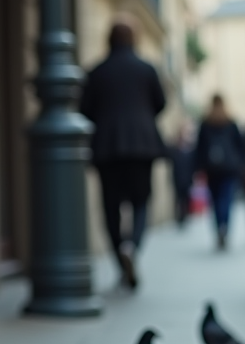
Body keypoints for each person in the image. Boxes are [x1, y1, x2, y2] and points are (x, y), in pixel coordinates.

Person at [80, 21, 167, 289]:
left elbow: (85, 109)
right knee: (141, 202)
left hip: (108, 147)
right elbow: (160, 103)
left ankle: (120, 257)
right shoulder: (146, 69)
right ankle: (133, 246)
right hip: (141, 146)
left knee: (110, 208)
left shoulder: (97, 72)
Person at [193, 95, 245, 250]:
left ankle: (219, 228)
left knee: (215, 201)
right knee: (227, 199)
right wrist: (241, 164)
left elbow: (199, 148)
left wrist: (198, 167)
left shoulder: (205, 123)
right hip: (229, 168)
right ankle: (225, 228)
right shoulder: (231, 123)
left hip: (212, 168)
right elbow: (240, 145)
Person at [169, 123, 196, 229]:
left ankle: (185, 216)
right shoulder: (175, 149)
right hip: (177, 177)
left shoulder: (191, 149)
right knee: (179, 198)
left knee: (186, 198)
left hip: (187, 177)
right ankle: (179, 217)